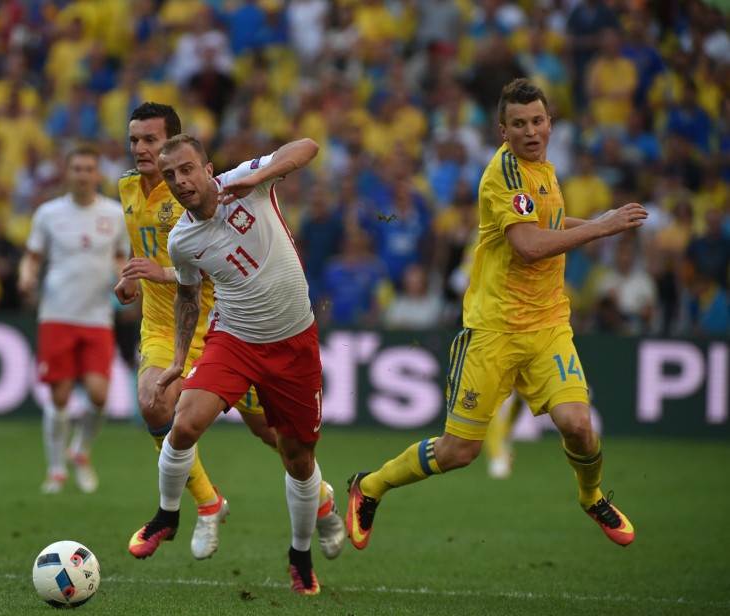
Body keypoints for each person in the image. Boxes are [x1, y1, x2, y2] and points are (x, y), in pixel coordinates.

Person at [346, 78, 647, 552]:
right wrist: (603, 229)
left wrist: (599, 223)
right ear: (501, 130)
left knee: (579, 425)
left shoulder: (544, 170)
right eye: (520, 124)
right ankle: (370, 487)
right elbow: (528, 246)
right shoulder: (503, 175)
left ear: (551, 123)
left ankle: (591, 498)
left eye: (538, 121)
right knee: (458, 452)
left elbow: (545, 222)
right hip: (494, 331)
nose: (531, 131)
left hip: (548, 325)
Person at [114, 103, 344, 563]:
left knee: (277, 439)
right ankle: (204, 504)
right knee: (159, 404)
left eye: (151, 141)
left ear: (194, 158)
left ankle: (320, 501)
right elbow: (181, 280)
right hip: (179, 328)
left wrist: (261, 176)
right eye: (135, 140)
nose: (141, 149)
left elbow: (306, 147)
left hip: (241, 324)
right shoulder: (129, 190)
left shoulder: (229, 187)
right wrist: (129, 278)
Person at [17, 147, 129, 494]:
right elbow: (32, 257)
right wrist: (26, 276)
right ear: (67, 173)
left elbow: (121, 258)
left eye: (89, 169)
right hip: (57, 314)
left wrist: (125, 281)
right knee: (60, 396)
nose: (83, 174)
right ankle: (55, 470)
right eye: (77, 168)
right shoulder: (49, 214)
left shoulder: (114, 214)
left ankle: (80, 450)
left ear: (98, 174)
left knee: (99, 394)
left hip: (97, 316)